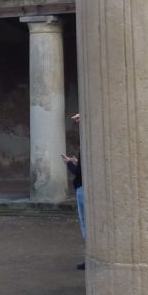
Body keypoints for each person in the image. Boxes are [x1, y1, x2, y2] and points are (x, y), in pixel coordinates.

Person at [62, 112, 85, 269]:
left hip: (83, 189)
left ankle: (91, 257)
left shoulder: (89, 141)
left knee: (86, 224)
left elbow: (80, 173)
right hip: (85, 187)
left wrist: (68, 164)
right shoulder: (89, 143)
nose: (77, 126)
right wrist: (76, 161)